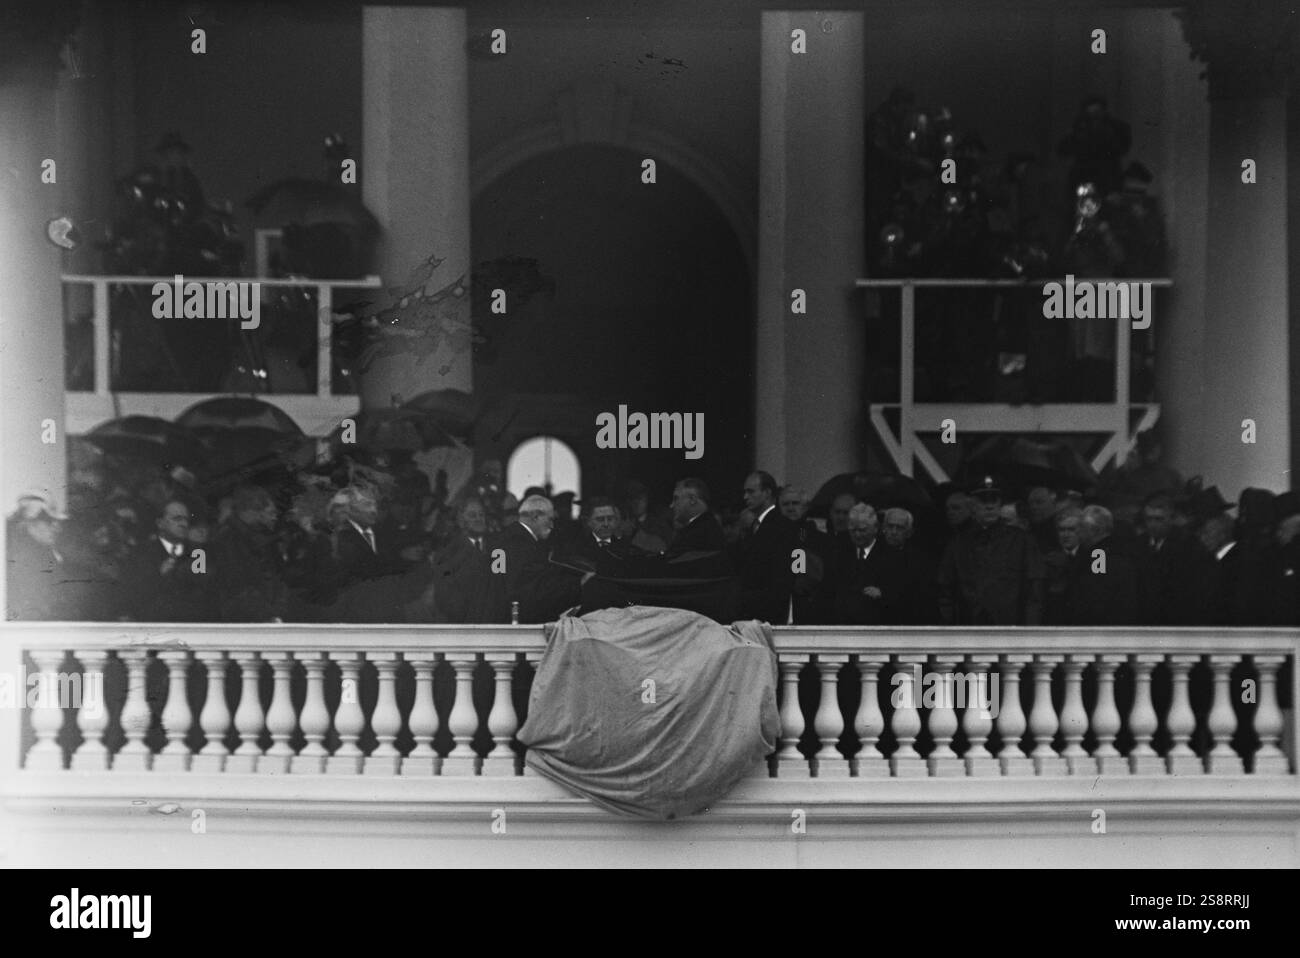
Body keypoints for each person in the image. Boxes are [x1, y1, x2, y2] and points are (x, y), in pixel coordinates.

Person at [938, 477, 1045, 625]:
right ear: (972, 505)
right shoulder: (958, 544)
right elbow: (945, 591)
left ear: (1000, 504)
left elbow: (1034, 592)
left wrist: (1030, 631)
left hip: (1010, 629)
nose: (990, 506)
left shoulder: (1022, 541)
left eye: (994, 500)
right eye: (983, 501)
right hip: (969, 629)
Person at [491, 494, 590, 623]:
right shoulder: (520, 543)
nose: (552, 526)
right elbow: (531, 590)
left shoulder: (510, 538)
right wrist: (578, 584)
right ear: (536, 516)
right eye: (550, 519)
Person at [124, 499, 215, 621]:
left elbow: (205, 592)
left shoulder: (197, 552)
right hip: (155, 624)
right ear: (160, 523)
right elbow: (133, 593)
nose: (184, 524)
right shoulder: (142, 552)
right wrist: (158, 575)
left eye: (186, 519)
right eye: (177, 519)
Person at [211, 485, 287, 622]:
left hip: (264, 615)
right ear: (255, 511)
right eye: (270, 512)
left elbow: (276, 578)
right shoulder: (227, 539)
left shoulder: (264, 538)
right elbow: (235, 583)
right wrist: (269, 614)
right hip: (242, 619)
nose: (274, 517)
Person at [1135, 491, 1207, 625]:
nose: (1153, 524)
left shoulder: (1189, 546)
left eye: (1159, 519)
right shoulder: (1137, 544)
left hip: (1176, 619)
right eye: (1149, 519)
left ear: (1172, 519)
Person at [737, 470, 799, 623]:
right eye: (745, 492)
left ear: (767, 493)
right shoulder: (756, 527)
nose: (745, 497)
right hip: (756, 613)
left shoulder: (783, 527)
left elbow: (783, 577)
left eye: (751, 492)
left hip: (769, 615)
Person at [833, 504, 905, 625]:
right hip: (844, 626)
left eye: (862, 530)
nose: (857, 535)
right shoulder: (840, 552)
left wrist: (882, 594)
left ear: (875, 528)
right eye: (853, 530)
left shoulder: (893, 556)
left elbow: (902, 595)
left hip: (878, 626)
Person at [1067, 505, 1138, 625]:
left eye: (1081, 528)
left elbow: (1096, 593)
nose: (1077, 532)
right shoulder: (1118, 549)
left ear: (1094, 530)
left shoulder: (1098, 555)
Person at [5, 492, 70, 620]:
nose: (56, 528)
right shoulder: (24, 560)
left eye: (57, 522)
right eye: (48, 522)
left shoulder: (53, 554)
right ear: (28, 524)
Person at [882, 507, 937, 624]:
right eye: (890, 526)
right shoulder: (872, 554)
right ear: (883, 529)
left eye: (899, 528)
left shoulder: (920, 561)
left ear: (909, 532)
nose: (894, 532)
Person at [666, 478, 727, 557]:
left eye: (676, 498)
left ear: (692, 499)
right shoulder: (705, 527)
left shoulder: (701, 534)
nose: (671, 505)